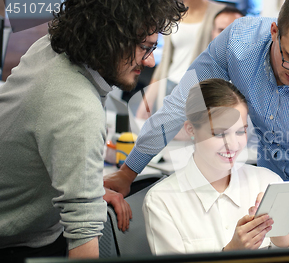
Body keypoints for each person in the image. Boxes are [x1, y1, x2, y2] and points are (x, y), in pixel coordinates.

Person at [106, 0, 289, 261]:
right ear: (274, 32)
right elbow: (181, 103)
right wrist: (129, 172)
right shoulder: (239, 43)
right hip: (265, 189)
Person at [0, 0, 186, 261]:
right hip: (17, 245)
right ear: (109, 39)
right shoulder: (77, 108)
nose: (151, 61)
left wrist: (87, 189)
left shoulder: (51, 49)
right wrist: (85, 202)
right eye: (145, 48)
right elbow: (83, 233)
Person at [142, 78, 289, 254]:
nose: (233, 145)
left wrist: (282, 239)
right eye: (220, 133)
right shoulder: (162, 201)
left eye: (240, 131)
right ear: (190, 129)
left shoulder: (267, 182)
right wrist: (231, 252)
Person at [136, 0, 226, 120]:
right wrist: (148, 100)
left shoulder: (220, 12)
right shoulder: (172, 11)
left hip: (199, 91)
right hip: (170, 86)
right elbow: (165, 59)